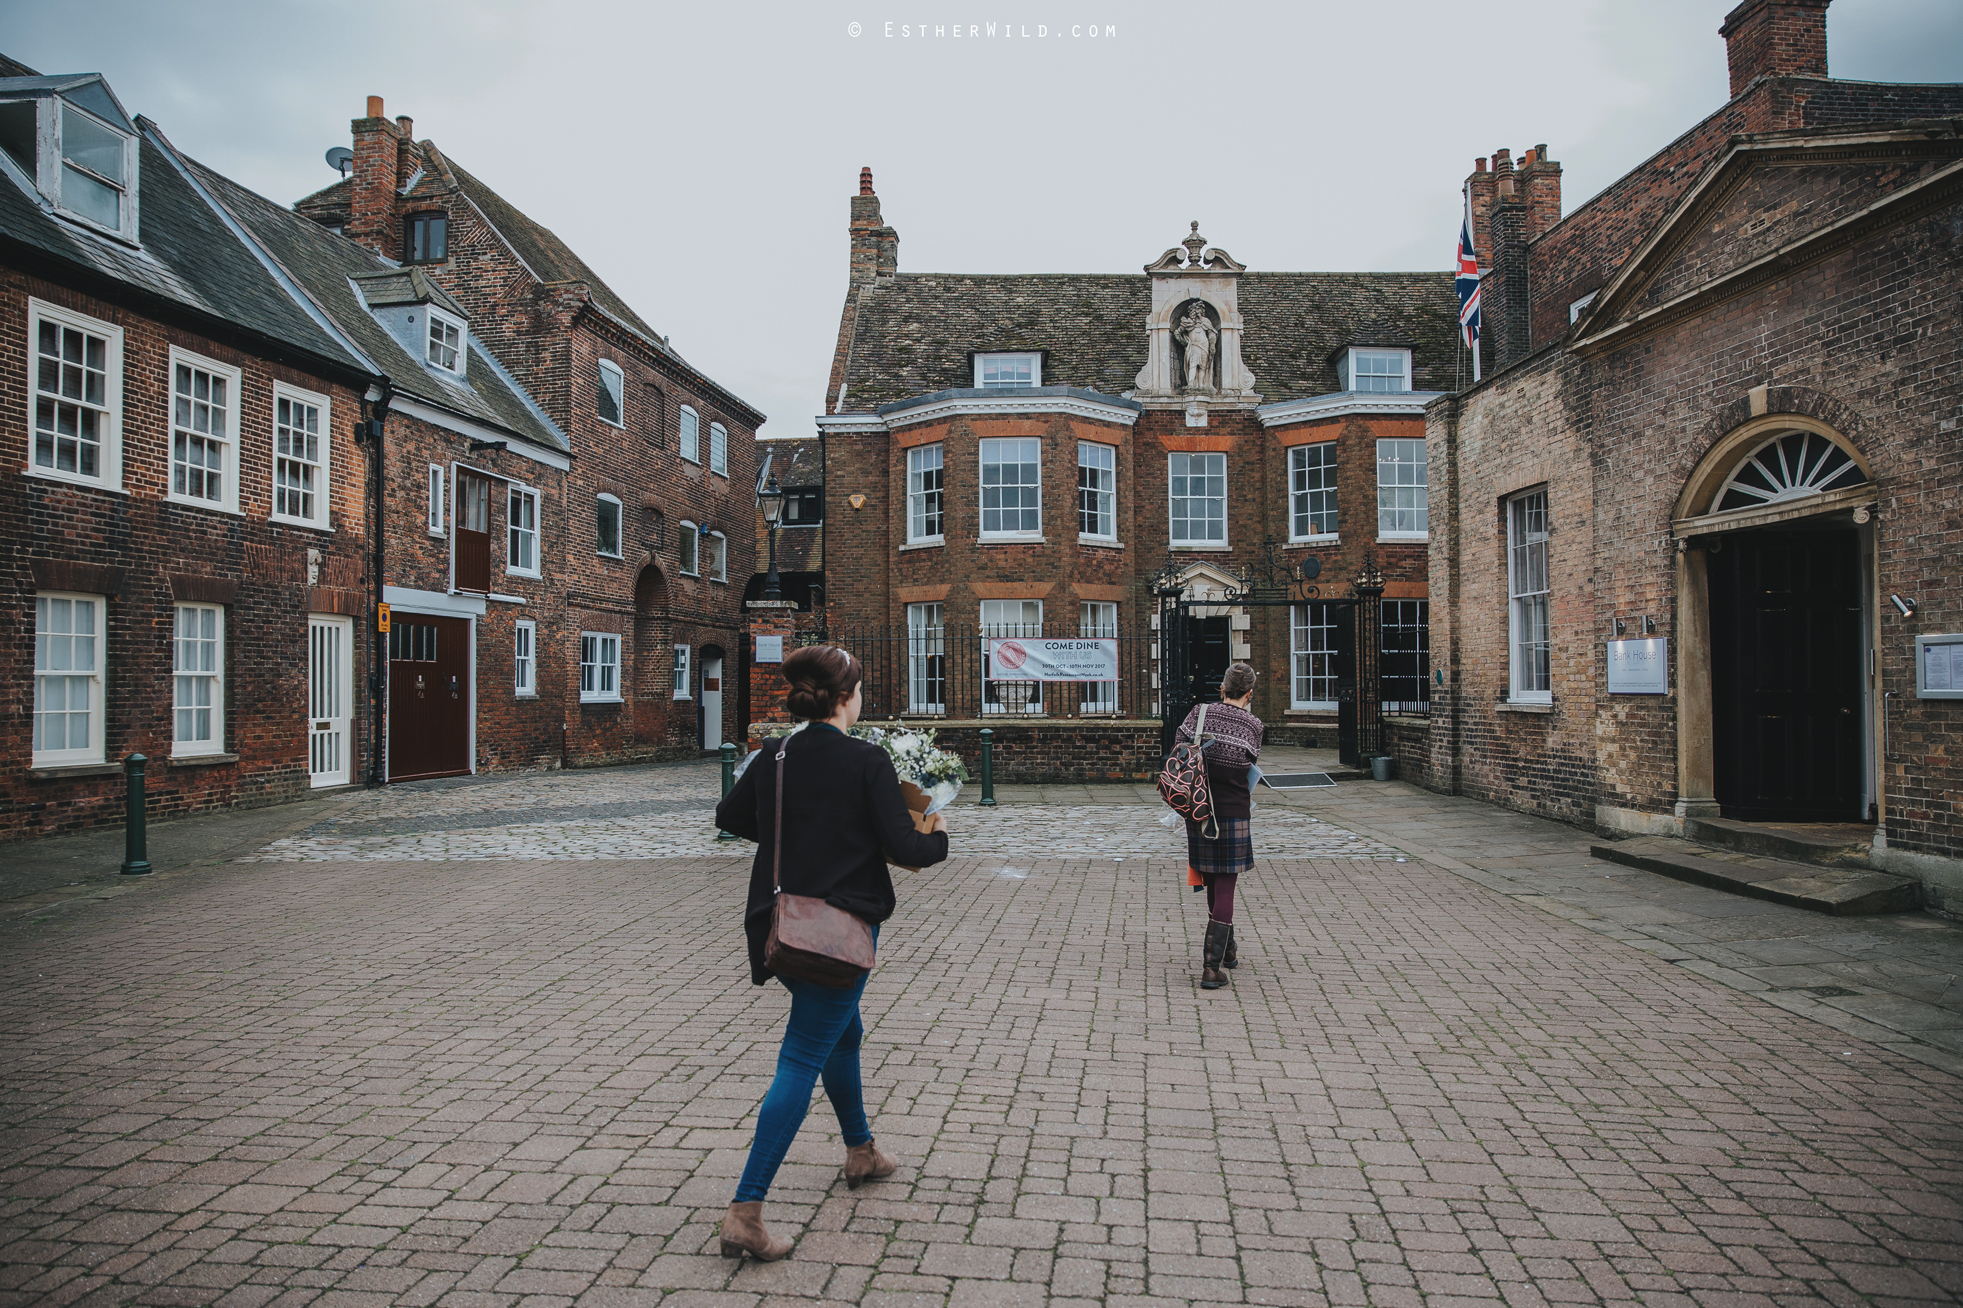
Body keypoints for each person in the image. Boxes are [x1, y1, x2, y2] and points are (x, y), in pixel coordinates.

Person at [712, 645, 949, 1261]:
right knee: (800, 1059)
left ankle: (861, 1150)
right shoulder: (867, 760)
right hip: (836, 938)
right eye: (862, 688)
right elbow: (908, 848)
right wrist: (940, 833)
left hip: (780, 924)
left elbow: (730, 816)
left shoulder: (776, 753)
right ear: (847, 696)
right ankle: (746, 1211)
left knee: (843, 1036)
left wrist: (804, 827)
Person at [1176, 662, 1263, 990]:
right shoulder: (1253, 725)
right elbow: (1247, 767)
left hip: (1198, 809)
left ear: (1222, 688)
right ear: (1250, 693)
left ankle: (1227, 948)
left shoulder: (1198, 713)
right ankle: (1211, 968)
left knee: (1213, 879)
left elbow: (1177, 750)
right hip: (1234, 811)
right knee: (1225, 884)